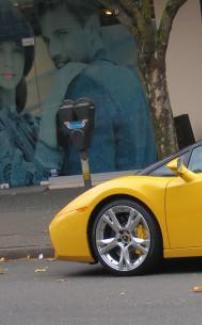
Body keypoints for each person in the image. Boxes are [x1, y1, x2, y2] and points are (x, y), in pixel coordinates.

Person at [34, 0, 156, 177]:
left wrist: (53, 102)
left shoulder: (84, 87)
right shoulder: (128, 76)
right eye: (47, 40)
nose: (53, 51)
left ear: (91, 27)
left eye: (62, 34)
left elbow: (87, 175)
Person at [0, 0, 44, 187]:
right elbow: (15, 179)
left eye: (16, 51)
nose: (9, 62)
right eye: (0, 51)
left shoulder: (28, 123)